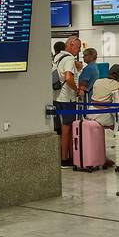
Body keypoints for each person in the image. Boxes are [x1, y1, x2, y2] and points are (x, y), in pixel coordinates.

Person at [90, 64, 119, 171]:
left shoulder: (98, 81)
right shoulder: (118, 84)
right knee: (117, 128)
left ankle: (102, 157)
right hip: (103, 114)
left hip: (90, 112)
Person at [53, 37, 81, 168]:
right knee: (67, 129)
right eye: (78, 47)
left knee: (60, 130)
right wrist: (77, 90)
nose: (79, 50)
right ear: (71, 45)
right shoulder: (69, 59)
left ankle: (62, 156)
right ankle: (65, 159)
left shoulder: (58, 56)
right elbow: (69, 77)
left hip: (56, 96)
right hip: (67, 98)